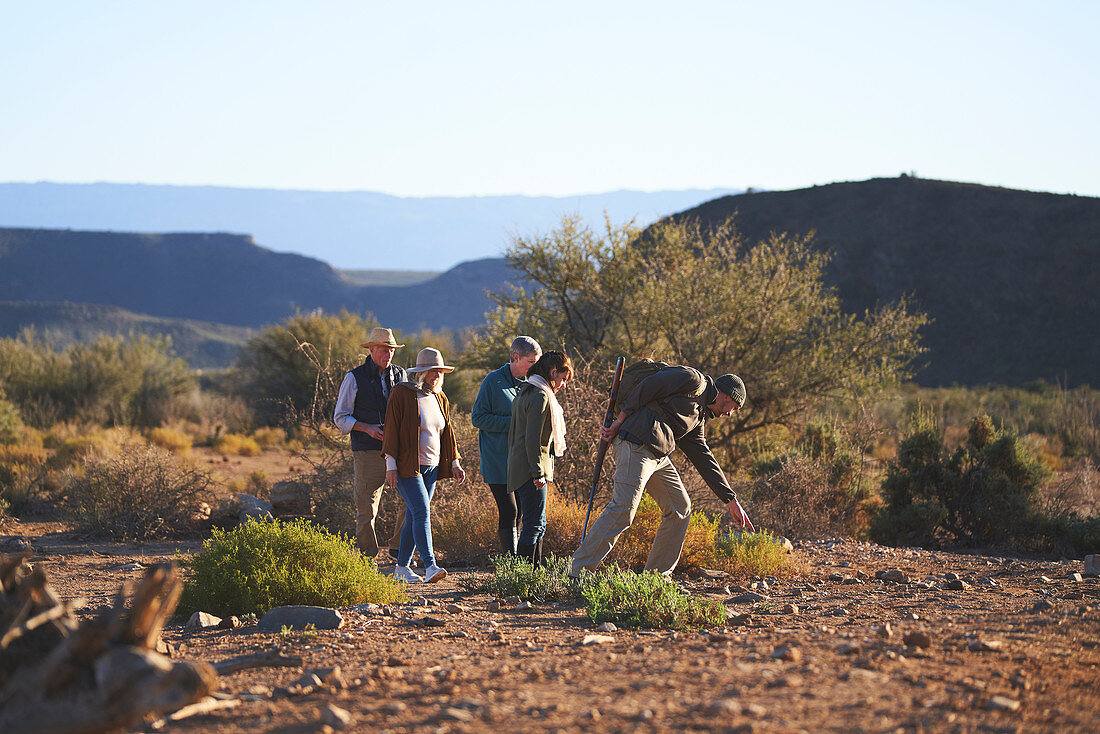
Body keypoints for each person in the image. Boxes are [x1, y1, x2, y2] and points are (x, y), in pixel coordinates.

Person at [569, 365, 754, 578]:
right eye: (735, 407)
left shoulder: (699, 417)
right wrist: (618, 422)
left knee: (680, 508)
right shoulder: (692, 379)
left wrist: (731, 500)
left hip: (658, 455)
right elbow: (649, 386)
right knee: (623, 509)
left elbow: (703, 458)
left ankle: (655, 578)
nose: (730, 414)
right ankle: (577, 572)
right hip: (635, 443)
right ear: (728, 396)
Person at [382, 347, 466, 583]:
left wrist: (455, 463)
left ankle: (401, 569)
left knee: (413, 514)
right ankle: (430, 565)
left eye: (440, 371)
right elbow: (391, 429)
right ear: (421, 372)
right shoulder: (402, 393)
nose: (437, 375)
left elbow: (448, 432)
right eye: (432, 371)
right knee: (421, 511)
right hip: (408, 465)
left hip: (432, 466)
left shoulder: (440, 397)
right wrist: (390, 464)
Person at [333, 327, 408, 559]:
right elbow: (340, 417)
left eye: (391, 350)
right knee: (366, 510)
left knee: (412, 500)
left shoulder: (401, 375)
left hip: (398, 451)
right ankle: (368, 559)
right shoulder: (353, 377)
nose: (389, 355)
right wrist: (367, 428)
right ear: (372, 350)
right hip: (367, 452)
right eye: (384, 350)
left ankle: (398, 550)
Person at [471, 336, 542, 554]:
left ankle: (517, 566)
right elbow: (478, 418)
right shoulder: (493, 381)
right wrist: (513, 424)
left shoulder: (532, 384)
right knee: (509, 510)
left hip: (520, 463)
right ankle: (509, 565)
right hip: (497, 461)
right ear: (515, 357)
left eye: (537, 361)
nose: (535, 366)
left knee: (521, 511)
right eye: (531, 361)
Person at [508, 350, 574, 565]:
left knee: (537, 523)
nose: (563, 385)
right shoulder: (541, 395)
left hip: (522, 467)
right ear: (553, 372)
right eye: (562, 379)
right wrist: (537, 473)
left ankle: (535, 574)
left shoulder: (527, 390)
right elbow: (533, 439)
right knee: (534, 525)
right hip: (531, 470)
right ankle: (522, 577)